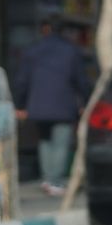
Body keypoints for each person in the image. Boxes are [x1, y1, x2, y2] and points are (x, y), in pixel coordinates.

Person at [12, 16, 91, 196]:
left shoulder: (33, 51)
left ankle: (48, 179)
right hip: (63, 104)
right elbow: (81, 81)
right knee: (60, 143)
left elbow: (22, 81)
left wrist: (20, 105)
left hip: (38, 105)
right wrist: (85, 102)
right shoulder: (71, 51)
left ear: (44, 29)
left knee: (45, 141)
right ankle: (55, 181)